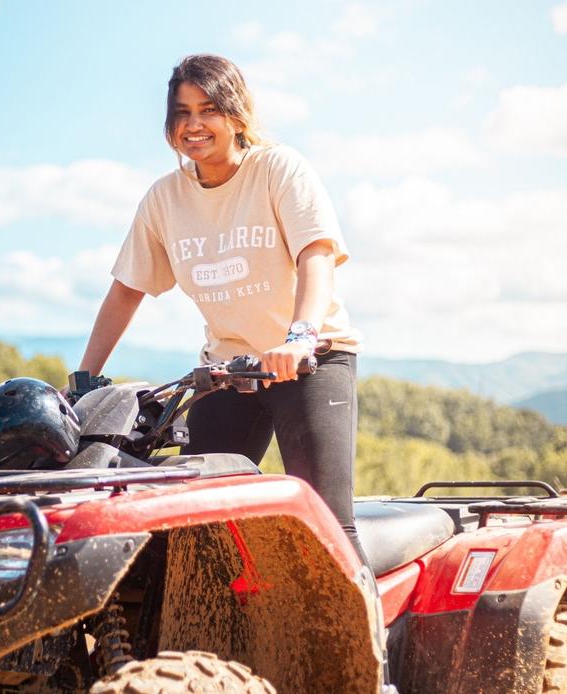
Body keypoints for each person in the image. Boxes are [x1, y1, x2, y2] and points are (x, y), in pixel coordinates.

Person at [77, 54, 368, 565]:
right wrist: (82, 380)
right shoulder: (165, 199)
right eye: (182, 112)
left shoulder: (278, 168)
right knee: (195, 526)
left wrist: (300, 336)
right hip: (229, 371)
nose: (193, 125)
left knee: (327, 522)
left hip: (309, 361)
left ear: (236, 115)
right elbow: (126, 290)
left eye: (207, 109)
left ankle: (370, 644)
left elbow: (315, 254)